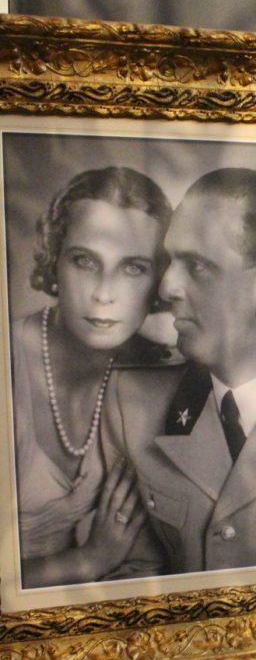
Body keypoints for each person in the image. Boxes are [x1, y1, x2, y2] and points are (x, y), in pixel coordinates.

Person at [103, 167, 256, 575]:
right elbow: (129, 574)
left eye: (197, 266)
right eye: (170, 260)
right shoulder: (132, 404)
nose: (166, 287)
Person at [12, 166, 172, 588]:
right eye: (84, 261)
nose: (104, 294)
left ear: (159, 281)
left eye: (133, 268)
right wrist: (87, 562)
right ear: (54, 259)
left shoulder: (152, 374)